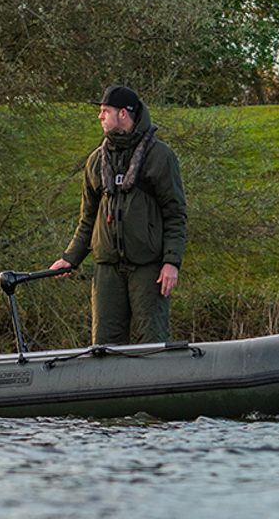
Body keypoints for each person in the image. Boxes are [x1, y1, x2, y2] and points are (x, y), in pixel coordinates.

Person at [50, 84, 187, 345]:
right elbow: (88, 219)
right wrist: (69, 258)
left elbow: (175, 214)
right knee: (103, 345)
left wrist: (172, 262)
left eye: (106, 111)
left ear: (123, 113)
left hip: (148, 268)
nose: (100, 116)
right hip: (107, 270)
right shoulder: (95, 161)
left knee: (152, 341)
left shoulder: (161, 156)